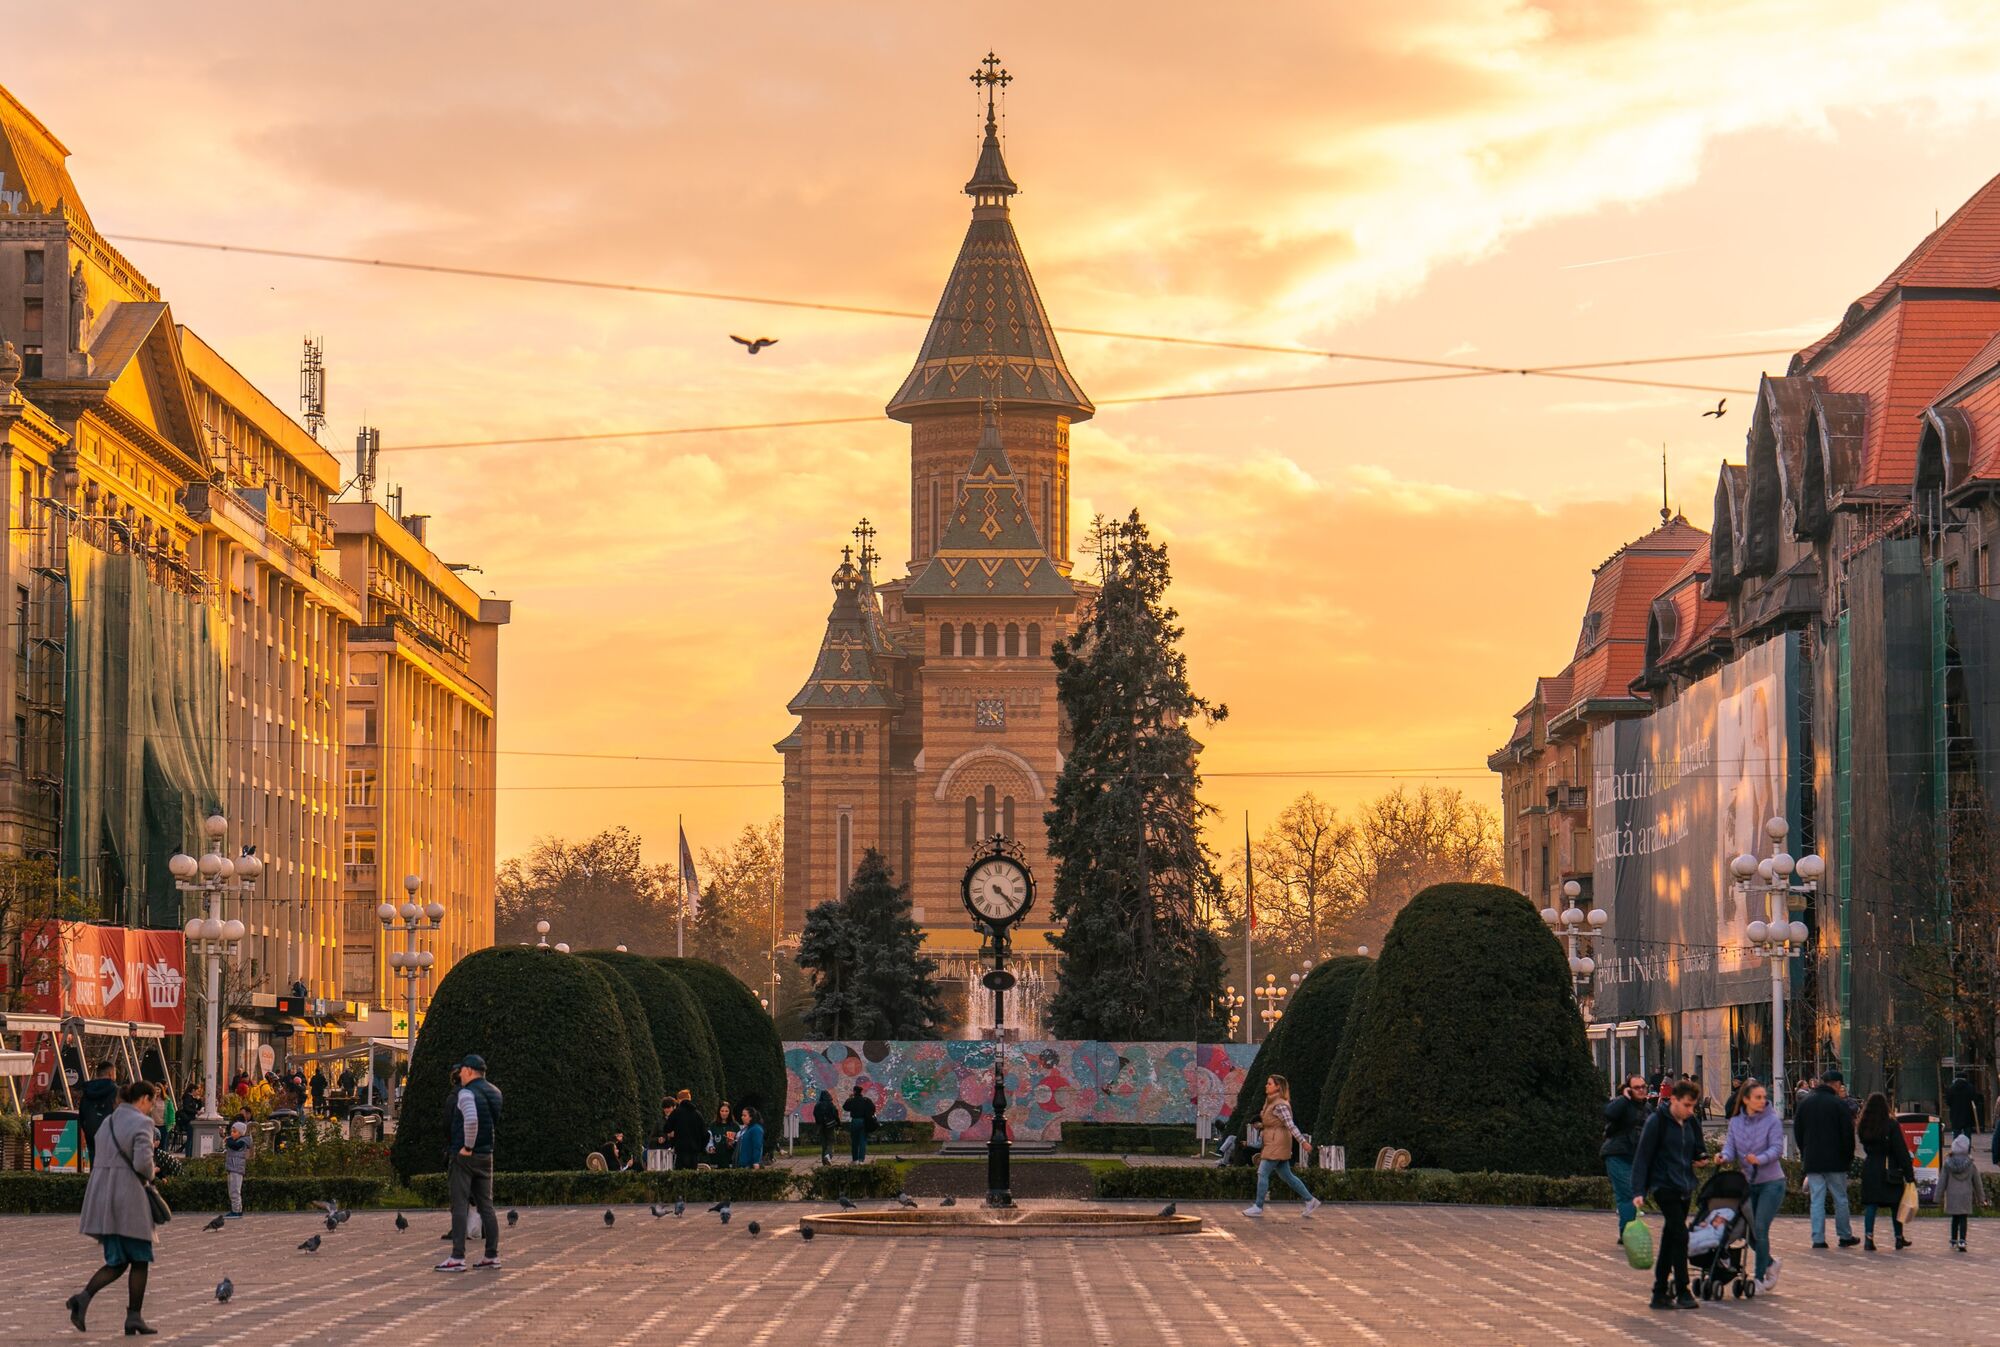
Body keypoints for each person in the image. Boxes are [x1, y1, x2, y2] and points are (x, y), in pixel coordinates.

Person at [67, 1079, 164, 1335]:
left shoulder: (109, 1121)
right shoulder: (142, 1123)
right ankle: (134, 1317)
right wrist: (151, 1172)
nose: (150, 1109)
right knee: (140, 1258)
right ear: (143, 1099)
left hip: (104, 1199)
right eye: (151, 1103)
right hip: (128, 1199)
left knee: (118, 1261)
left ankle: (83, 1298)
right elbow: (143, 1164)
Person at [1631, 1079, 1705, 1311]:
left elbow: (1697, 1147)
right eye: (1686, 1105)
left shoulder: (1690, 1122)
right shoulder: (1657, 1122)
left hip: (1684, 1185)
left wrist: (1701, 1157)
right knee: (1680, 1235)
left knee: (1670, 1237)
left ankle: (1659, 1292)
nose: (1690, 1110)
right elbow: (1643, 1156)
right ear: (1673, 1100)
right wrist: (1638, 1190)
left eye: (1693, 1106)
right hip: (1664, 1185)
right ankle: (1683, 1289)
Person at [437, 1053, 502, 1273]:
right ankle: (491, 1255)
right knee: (487, 1206)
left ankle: (457, 1256)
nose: (460, 1075)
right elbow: (491, 1122)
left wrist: (467, 1146)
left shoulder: (466, 1093)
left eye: (462, 1070)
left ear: (469, 1071)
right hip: (487, 1155)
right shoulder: (495, 1092)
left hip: (466, 1156)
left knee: (460, 1204)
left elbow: (472, 1120)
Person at [1721, 1080, 1785, 1290]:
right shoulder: (1736, 1122)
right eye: (1757, 1097)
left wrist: (1760, 1158)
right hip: (1748, 1183)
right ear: (1746, 1099)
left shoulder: (1772, 1121)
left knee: (1760, 1228)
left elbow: (1777, 1148)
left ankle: (1758, 1278)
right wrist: (1723, 1157)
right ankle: (1771, 1264)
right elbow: (1730, 1148)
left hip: (1771, 1182)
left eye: (1764, 1097)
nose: (1762, 1101)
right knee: (1747, 1231)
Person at [1794, 1069, 1860, 1250]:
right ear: (1837, 1084)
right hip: (1836, 1161)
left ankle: (1818, 1238)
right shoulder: (1839, 1105)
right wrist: (1848, 1156)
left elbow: (1798, 1131)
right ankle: (1844, 1235)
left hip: (1813, 1160)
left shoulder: (1805, 1103)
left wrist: (1804, 1151)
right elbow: (1848, 1134)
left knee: (1817, 1199)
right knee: (1840, 1198)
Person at [1240, 1074, 1321, 1219]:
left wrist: (1303, 1141)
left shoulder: (1280, 1104)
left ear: (1278, 1087)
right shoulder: (1271, 1102)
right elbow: (1274, 1122)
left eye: (1270, 1083)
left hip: (1277, 1143)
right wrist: (1262, 1125)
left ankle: (1258, 1206)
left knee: (1262, 1172)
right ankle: (1310, 1200)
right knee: (1287, 1176)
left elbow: (1290, 1125)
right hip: (1274, 1141)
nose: (1266, 1085)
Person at [1857, 1090, 1915, 1251]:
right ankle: (1898, 1237)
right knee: (1896, 1205)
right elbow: (1901, 1150)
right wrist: (1909, 1174)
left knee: (1871, 1205)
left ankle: (1869, 1238)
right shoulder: (1891, 1125)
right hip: (1890, 1168)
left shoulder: (1864, 1124)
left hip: (1870, 1167)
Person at [1601, 1075, 1649, 1245]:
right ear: (1629, 1089)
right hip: (1617, 1154)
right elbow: (1609, 1113)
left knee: (1632, 1194)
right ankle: (1627, 1233)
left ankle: (1626, 1232)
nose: (1641, 1090)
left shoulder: (1647, 1108)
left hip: (1635, 1158)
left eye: (1643, 1086)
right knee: (1628, 1193)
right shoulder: (1623, 1104)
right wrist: (1624, 1097)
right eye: (1636, 1087)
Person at [1941, 1132, 1984, 1252]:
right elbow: (1977, 1182)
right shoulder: (1971, 1164)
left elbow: (1942, 1181)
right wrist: (1981, 1198)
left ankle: (1953, 1240)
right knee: (1963, 1219)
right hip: (1965, 1196)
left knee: (1954, 1218)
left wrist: (1937, 1196)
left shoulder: (1948, 1163)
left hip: (1952, 1195)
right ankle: (1962, 1240)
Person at [78, 1062, 119, 1167]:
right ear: (111, 1073)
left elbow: (81, 1114)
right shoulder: (116, 1091)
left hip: (91, 1134)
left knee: (95, 1166)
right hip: (111, 1134)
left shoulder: (87, 1091)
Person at [665, 1090, 707, 1172]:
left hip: (680, 1151)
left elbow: (667, 1128)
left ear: (678, 1100)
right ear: (689, 1099)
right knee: (692, 1177)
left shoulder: (676, 1113)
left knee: (680, 1176)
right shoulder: (697, 1114)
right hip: (694, 1152)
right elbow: (705, 1134)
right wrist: (700, 1148)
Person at [842, 1083, 876, 1164]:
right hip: (864, 1121)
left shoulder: (852, 1100)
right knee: (862, 1141)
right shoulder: (866, 1100)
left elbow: (845, 1107)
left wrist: (849, 1098)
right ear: (861, 1092)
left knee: (854, 1141)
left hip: (855, 1121)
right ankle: (861, 1160)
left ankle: (855, 1160)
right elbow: (873, 1108)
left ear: (854, 1092)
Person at [223, 1120, 250, 1219]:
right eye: (231, 1132)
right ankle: (236, 1209)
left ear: (241, 1133)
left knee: (235, 1190)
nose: (232, 1134)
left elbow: (234, 1146)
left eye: (235, 1132)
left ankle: (236, 1211)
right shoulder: (236, 1141)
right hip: (232, 1168)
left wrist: (228, 1140)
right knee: (232, 1190)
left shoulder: (242, 1142)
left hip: (236, 1169)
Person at [1946, 1070, 1981, 1141]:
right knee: (1967, 1135)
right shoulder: (1970, 1087)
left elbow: (1948, 1102)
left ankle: (1956, 1150)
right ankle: (1967, 1150)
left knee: (1956, 1134)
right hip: (1968, 1115)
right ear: (1966, 1078)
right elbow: (1975, 1101)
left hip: (1955, 1115)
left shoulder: (1951, 1088)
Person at [813, 1089, 839, 1165]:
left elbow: (815, 1114)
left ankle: (824, 1163)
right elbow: (835, 1115)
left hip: (821, 1126)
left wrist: (819, 1123)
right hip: (830, 1126)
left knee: (824, 1144)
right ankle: (828, 1155)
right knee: (830, 1142)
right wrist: (838, 1124)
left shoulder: (817, 1105)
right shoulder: (831, 1105)